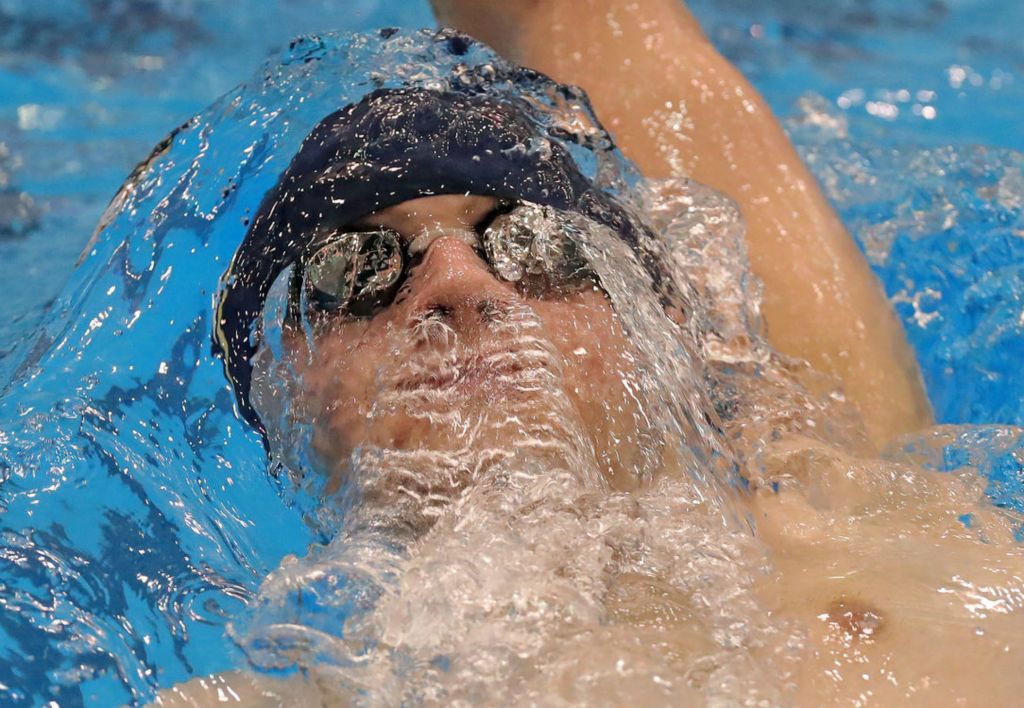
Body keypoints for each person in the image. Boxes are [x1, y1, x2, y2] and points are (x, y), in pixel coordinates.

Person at [156, 2, 1024, 705]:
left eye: (537, 247)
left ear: (663, 337)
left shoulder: (882, 526)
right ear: (280, 392)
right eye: (357, 269)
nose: (459, 285)